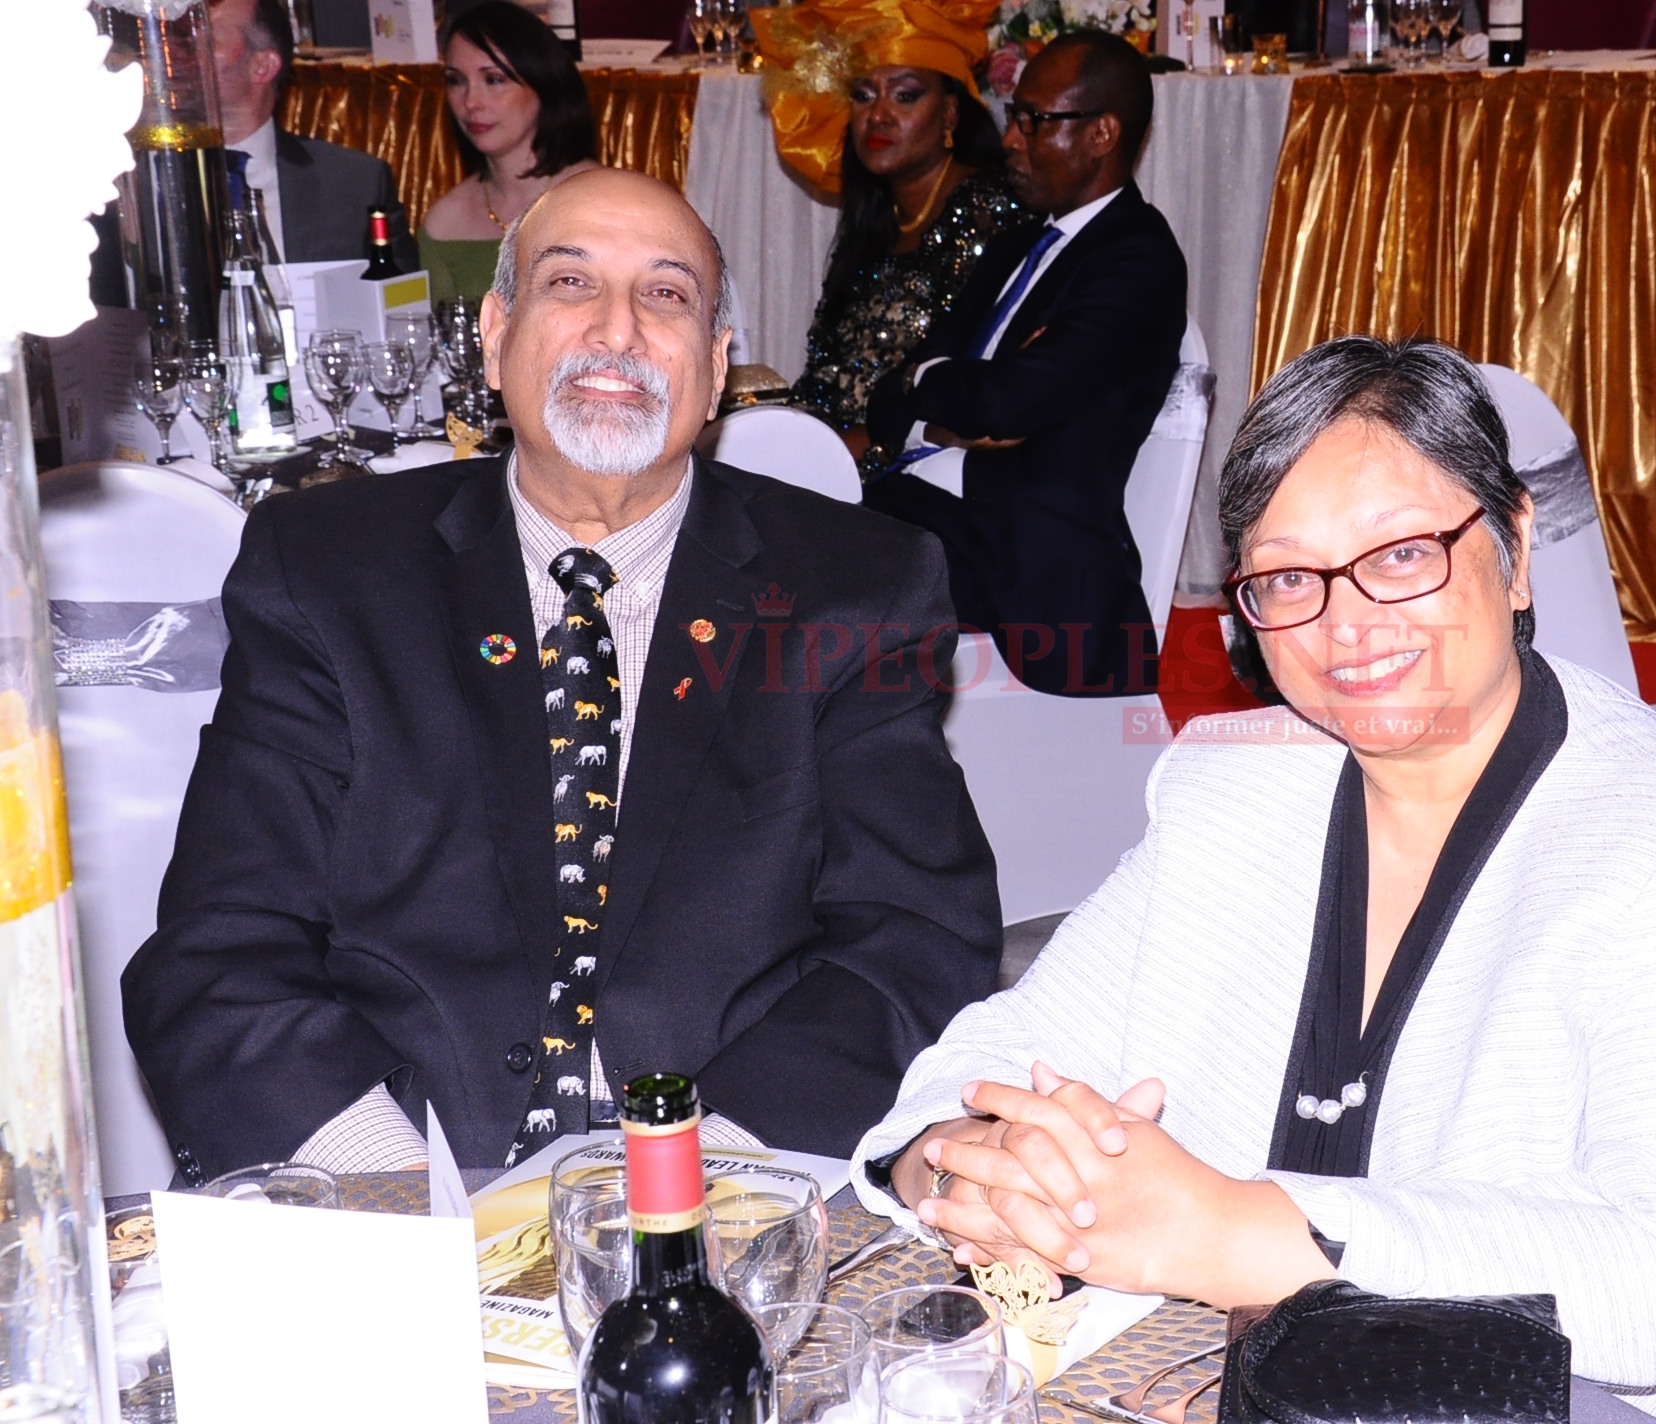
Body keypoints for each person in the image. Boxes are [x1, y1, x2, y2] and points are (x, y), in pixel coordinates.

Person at [850, 339, 1656, 1422]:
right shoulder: (1227, 791)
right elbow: (998, 1054)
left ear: (1514, 550)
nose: (1343, 622)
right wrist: (968, 1166)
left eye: (1398, 556)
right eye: (1286, 576)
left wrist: (1233, 1226)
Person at [123, 169, 1001, 1180]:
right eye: (570, 284)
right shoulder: (328, 571)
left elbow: (913, 937)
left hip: (723, 1168)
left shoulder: (856, 586)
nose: (618, 329)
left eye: (666, 294)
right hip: (396, 1166)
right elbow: (222, 946)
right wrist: (392, 1194)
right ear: (496, 334)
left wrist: (700, 1182)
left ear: (716, 371)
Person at [861, 32, 1187, 698]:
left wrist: (936, 386)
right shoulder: (1015, 248)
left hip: (1018, 553)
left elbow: (1008, 403)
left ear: (1102, 134)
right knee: (763, 535)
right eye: (1016, 117)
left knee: (798, 579)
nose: (1012, 139)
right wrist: (936, 404)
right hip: (929, 514)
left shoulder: (1136, 261)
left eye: (1036, 121)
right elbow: (889, 396)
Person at [756, 0, 1027, 470]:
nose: (878, 115)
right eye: (863, 96)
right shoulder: (874, 220)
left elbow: (974, 382)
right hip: (833, 459)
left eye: (904, 96)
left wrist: (824, 456)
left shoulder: (988, 210)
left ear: (949, 115)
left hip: (920, 469)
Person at [207, 0, 419, 266]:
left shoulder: (355, 184)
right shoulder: (149, 183)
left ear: (262, 66)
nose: (180, 53)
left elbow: (401, 300)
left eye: (207, 38)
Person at [419, 2, 601, 302]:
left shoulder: (603, 199)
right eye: (456, 81)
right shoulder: (444, 222)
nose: (471, 102)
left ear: (544, 84)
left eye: (493, 80)